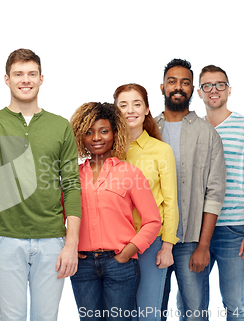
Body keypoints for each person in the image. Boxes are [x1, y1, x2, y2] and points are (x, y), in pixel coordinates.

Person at [0, 48, 82, 321]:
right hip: (5, 238)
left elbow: (71, 184)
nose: (25, 79)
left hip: (52, 239)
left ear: (41, 79)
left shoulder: (60, 126)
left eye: (31, 74)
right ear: (7, 79)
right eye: (18, 74)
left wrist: (71, 243)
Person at [69, 102, 161, 321]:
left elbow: (152, 221)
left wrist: (129, 251)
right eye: (89, 132)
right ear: (81, 136)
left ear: (115, 133)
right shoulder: (73, 176)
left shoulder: (130, 173)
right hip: (82, 267)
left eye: (103, 131)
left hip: (120, 264)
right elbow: (58, 216)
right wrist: (70, 245)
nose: (96, 138)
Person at [156, 59, 226, 321]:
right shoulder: (148, 131)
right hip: (153, 242)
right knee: (152, 312)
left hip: (190, 242)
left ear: (192, 89)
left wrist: (203, 246)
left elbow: (214, 193)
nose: (178, 87)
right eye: (172, 81)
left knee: (195, 314)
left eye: (185, 82)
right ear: (162, 86)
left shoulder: (208, 135)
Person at [198, 65, 244, 320]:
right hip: (195, 230)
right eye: (207, 85)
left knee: (234, 301)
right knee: (191, 303)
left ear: (229, 90)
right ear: (199, 92)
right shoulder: (193, 128)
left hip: (234, 229)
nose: (213, 90)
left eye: (219, 84)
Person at [113, 84, 179, 321]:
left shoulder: (161, 151)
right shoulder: (109, 151)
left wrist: (168, 245)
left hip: (152, 244)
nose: (130, 110)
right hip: (116, 244)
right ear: (115, 111)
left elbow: (170, 201)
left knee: (148, 314)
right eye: (123, 104)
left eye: (137, 104)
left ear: (147, 109)